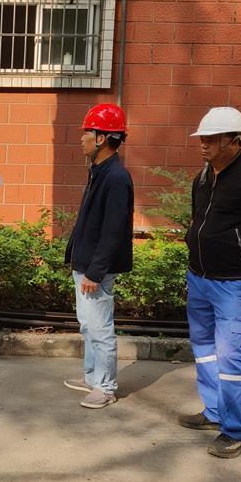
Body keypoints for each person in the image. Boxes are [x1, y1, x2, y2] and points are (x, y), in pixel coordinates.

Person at [178, 106, 241, 458]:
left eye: (212, 139)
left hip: (235, 284)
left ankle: (236, 430)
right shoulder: (203, 177)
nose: (203, 144)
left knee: (229, 355)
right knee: (204, 348)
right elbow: (199, 220)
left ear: (235, 141)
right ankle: (214, 411)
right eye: (202, 138)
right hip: (199, 277)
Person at [62, 104, 133, 410]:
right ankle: (93, 377)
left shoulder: (115, 177)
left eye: (87, 133)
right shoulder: (100, 171)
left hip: (95, 270)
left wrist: (95, 271)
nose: (82, 138)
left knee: (100, 328)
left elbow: (113, 230)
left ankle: (105, 387)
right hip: (86, 264)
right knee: (88, 325)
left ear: (102, 138)